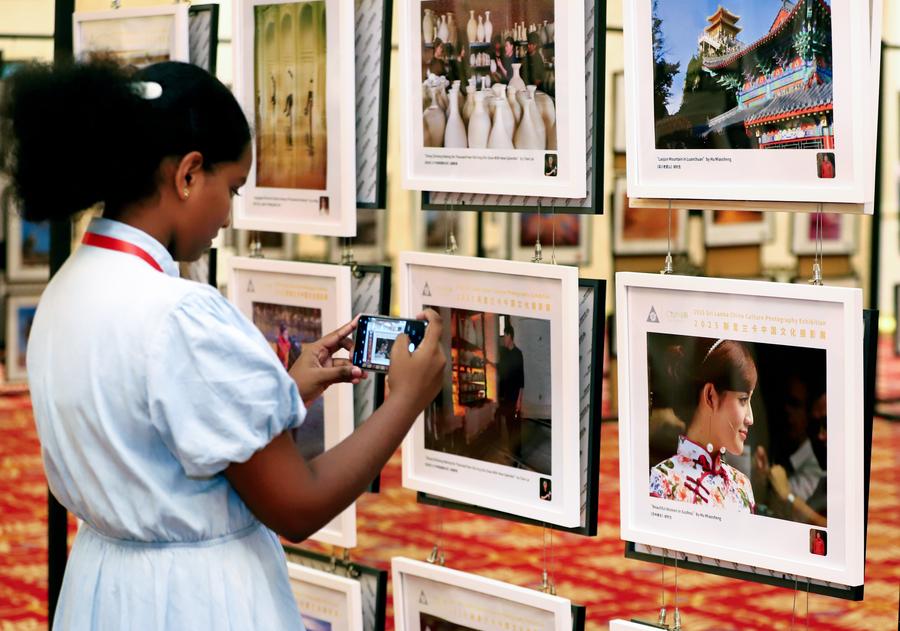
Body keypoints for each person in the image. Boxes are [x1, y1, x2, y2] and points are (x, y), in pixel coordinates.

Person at [0, 59, 446, 629]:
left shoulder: (69, 287)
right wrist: (406, 399)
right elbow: (297, 505)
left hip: (103, 589)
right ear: (188, 174)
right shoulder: (181, 314)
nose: (229, 215)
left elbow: (151, 438)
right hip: (193, 600)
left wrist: (284, 390)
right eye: (231, 187)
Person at [649, 338, 757, 513]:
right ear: (710, 396)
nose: (750, 418)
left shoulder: (742, 486)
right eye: (743, 400)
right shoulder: (663, 482)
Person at [497, 324, 525, 462]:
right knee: (508, 425)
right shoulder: (504, 353)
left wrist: (519, 400)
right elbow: (501, 371)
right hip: (506, 396)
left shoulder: (518, 354)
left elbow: (521, 378)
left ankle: (518, 454)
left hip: (515, 396)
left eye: (505, 336)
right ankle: (511, 451)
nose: (503, 339)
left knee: (516, 426)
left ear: (510, 336)